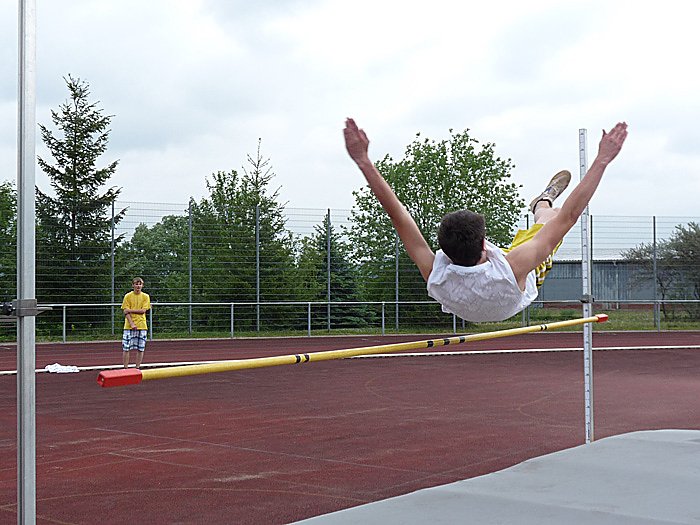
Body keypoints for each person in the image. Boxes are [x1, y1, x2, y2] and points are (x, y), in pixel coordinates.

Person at [343, 118, 628, 322]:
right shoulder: (515, 267)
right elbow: (569, 216)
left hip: (471, 301)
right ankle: (543, 202)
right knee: (551, 218)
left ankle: (543, 201)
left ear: (445, 250)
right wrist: (602, 160)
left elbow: (398, 216)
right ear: (484, 243)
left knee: (552, 221)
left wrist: (363, 161)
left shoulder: (436, 274)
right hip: (515, 289)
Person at [121, 277, 151, 368]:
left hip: (142, 325)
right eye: (136, 284)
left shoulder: (146, 296)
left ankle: (137, 367)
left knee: (141, 348)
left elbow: (143, 311)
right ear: (133, 285)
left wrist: (130, 310)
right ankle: (125, 368)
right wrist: (131, 323)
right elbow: (125, 312)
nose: (138, 286)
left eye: (140, 284)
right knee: (126, 348)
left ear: (142, 285)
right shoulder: (128, 296)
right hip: (129, 326)